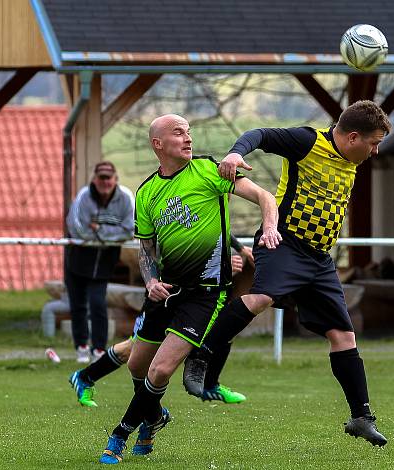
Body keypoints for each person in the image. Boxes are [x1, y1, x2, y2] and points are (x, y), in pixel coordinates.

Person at [183, 100, 392, 447]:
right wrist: (235, 154)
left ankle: (361, 417)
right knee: (260, 297)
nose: (376, 151)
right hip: (284, 242)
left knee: (344, 336)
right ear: (353, 137)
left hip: (319, 259)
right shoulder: (307, 142)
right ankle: (201, 356)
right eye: (374, 143)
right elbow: (260, 134)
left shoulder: (350, 158)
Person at [98, 114, 280, 464]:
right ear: (158, 144)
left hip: (205, 294)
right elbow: (147, 249)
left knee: (160, 370)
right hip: (166, 292)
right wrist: (150, 280)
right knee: (137, 366)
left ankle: (121, 433)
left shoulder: (211, 171)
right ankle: (154, 417)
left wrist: (269, 228)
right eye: (178, 132)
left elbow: (263, 196)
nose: (187, 138)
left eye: (189, 132)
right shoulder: (147, 192)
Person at [68, 237, 252, 407]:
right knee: (133, 350)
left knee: (223, 331)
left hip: (194, 298)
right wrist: (226, 265)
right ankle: (84, 377)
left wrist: (238, 251)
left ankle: (210, 385)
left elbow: (218, 233)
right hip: (164, 295)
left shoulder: (211, 214)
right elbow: (183, 257)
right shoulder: (175, 216)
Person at [65, 161, 134, 363]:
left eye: (108, 178)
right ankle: (81, 347)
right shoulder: (84, 196)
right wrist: (108, 233)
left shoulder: (125, 198)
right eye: (101, 178)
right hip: (78, 258)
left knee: (98, 304)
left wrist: (98, 230)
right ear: (94, 179)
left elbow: (129, 230)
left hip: (105, 261)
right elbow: (77, 229)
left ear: (115, 180)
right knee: (77, 305)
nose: (105, 182)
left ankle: (99, 350)